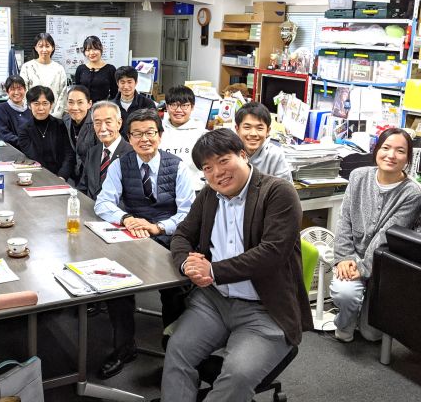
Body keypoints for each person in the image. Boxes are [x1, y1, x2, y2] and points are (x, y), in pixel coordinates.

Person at [160, 129, 312, 402]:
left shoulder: (277, 192)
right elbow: (182, 234)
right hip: (214, 302)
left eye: (223, 161)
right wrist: (186, 264)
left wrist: (213, 271)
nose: (217, 172)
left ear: (243, 155)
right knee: (177, 351)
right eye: (208, 168)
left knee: (237, 375)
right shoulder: (209, 195)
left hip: (265, 309)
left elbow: (272, 253)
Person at [94, 108, 195, 379]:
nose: (144, 139)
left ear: (160, 135)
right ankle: (124, 348)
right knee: (117, 284)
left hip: (169, 234)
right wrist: (126, 218)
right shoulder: (120, 165)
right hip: (134, 233)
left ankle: (175, 351)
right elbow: (103, 202)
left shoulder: (177, 166)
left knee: (175, 288)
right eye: (137, 134)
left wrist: (158, 227)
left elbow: (188, 212)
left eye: (150, 133)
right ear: (129, 138)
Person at [330, 128, 421, 343]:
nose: (391, 155)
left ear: (408, 158)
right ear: (376, 150)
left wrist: (362, 269)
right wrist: (344, 258)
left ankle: (362, 311)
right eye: (386, 148)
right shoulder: (358, 176)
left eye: (400, 151)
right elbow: (344, 220)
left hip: (384, 265)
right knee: (346, 295)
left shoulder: (413, 193)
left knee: (372, 335)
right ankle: (345, 321)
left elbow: (386, 236)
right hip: (352, 256)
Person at [17, 86, 75, 180]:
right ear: (29, 105)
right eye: (36, 103)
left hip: (62, 177)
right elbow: (34, 158)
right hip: (37, 176)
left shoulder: (60, 125)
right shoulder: (24, 130)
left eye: (45, 103)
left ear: (51, 105)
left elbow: (69, 154)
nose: (41, 108)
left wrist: (62, 176)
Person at [78, 101, 132, 200]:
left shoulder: (131, 154)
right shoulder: (93, 152)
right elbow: (83, 187)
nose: (103, 128)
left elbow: (131, 199)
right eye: (98, 123)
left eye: (108, 122)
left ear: (119, 123)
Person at [159, 85, 207, 192]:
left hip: (194, 189)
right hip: (163, 189)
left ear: (192, 107)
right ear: (166, 106)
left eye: (184, 105)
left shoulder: (202, 133)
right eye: (173, 105)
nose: (179, 110)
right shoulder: (157, 130)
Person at [235, 102, 292, 182]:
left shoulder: (275, 155)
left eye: (259, 128)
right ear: (237, 129)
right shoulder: (231, 153)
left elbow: (285, 187)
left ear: (268, 131)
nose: (253, 134)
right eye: (247, 127)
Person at [19, 33, 68, 118]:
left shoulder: (59, 69)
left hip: (54, 117)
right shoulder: (27, 67)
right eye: (41, 46)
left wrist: (55, 116)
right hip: (32, 115)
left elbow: (63, 94)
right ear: (35, 48)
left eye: (47, 46)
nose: (44, 49)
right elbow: (23, 92)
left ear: (53, 48)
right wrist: (31, 113)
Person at [62, 85, 97, 184]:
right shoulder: (65, 120)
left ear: (89, 104)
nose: (75, 107)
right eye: (71, 102)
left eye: (80, 102)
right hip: (73, 175)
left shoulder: (96, 124)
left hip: (92, 178)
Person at [111, 66, 156, 139]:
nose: (126, 86)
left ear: (136, 82)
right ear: (117, 83)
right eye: (122, 82)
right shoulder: (111, 106)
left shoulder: (147, 104)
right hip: (118, 144)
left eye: (129, 82)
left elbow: (153, 128)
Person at [74, 35, 117, 102]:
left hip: (103, 106)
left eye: (94, 49)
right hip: (84, 106)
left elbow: (114, 93)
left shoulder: (110, 69)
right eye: (88, 50)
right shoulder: (80, 69)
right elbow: (77, 91)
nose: (91, 53)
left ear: (101, 49)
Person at [0, 75, 32, 149]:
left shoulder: (31, 108)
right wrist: (25, 143)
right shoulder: (1, 108)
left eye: (19, 89)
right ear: (7, 91)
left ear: (25, 90)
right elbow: (4, 134)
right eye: (12, 89)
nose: (16, 92)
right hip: (11, 150)